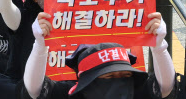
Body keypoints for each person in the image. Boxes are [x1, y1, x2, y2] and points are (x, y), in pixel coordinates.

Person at [19, 11, 175, 99]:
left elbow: (165, 87)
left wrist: (159, 46)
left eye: (126, 75)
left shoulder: (135, 92)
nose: (120, 81)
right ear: (88, 80)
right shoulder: (69, 94)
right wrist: (40, 46)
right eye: (109, 77)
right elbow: (34, 90)